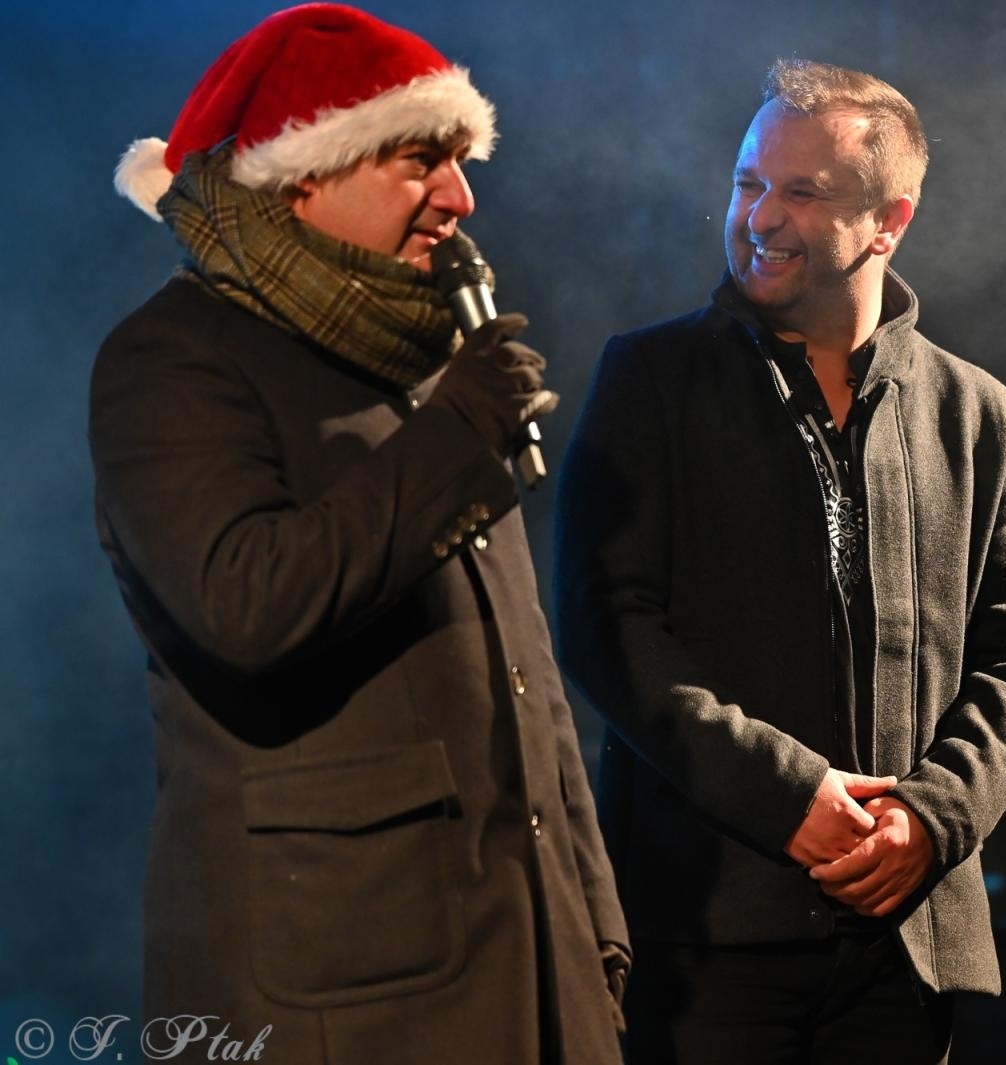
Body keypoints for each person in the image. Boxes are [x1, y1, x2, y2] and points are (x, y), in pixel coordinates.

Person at [90, 5, 626, 1061]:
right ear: (305, 174)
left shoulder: (425, 362)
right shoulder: (175, 359)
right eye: (421, 160)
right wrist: (457, 439)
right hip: (340, 996)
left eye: (461, 162)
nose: (461, 198)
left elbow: (528, 685)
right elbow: (246, 606)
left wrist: (593, 929)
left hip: (532, 975)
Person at [554, 58, 1006, 1063]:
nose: (759, 216)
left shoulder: (983, 415)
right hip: (702, 928)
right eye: (748, 182)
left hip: (903, 941)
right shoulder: (649, 377)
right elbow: (604, 623)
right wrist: (787, 796)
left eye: (801, 191)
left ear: (890, 220)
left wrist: (932, 819)